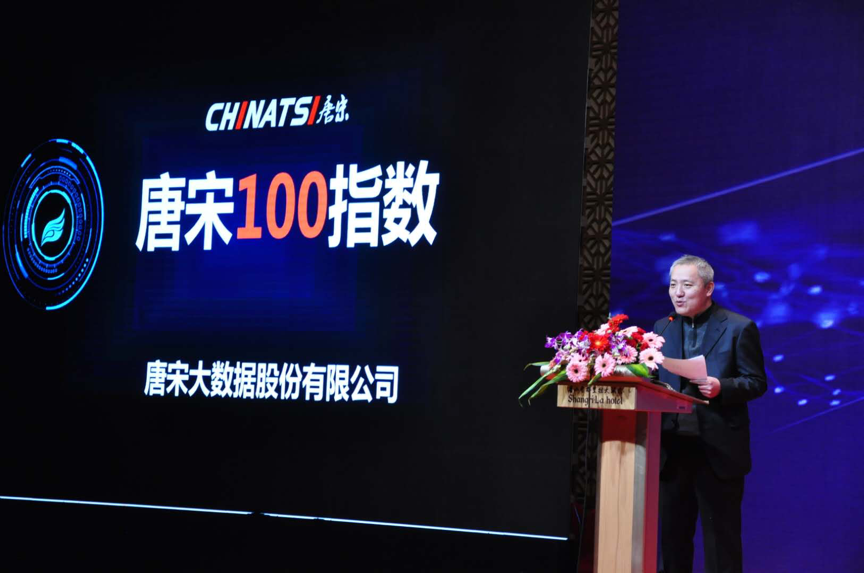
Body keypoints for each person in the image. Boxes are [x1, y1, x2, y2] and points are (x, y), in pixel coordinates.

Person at [654, 255, 767, 573]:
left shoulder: (739, 327)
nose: (678, 293)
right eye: (673, 285)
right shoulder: (663, 327)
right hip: (673, 448)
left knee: (721, 544)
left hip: (717, 449)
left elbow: (756, 382)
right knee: (673, 541)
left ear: (708, 288)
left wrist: (721, 387)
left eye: (687, 285)